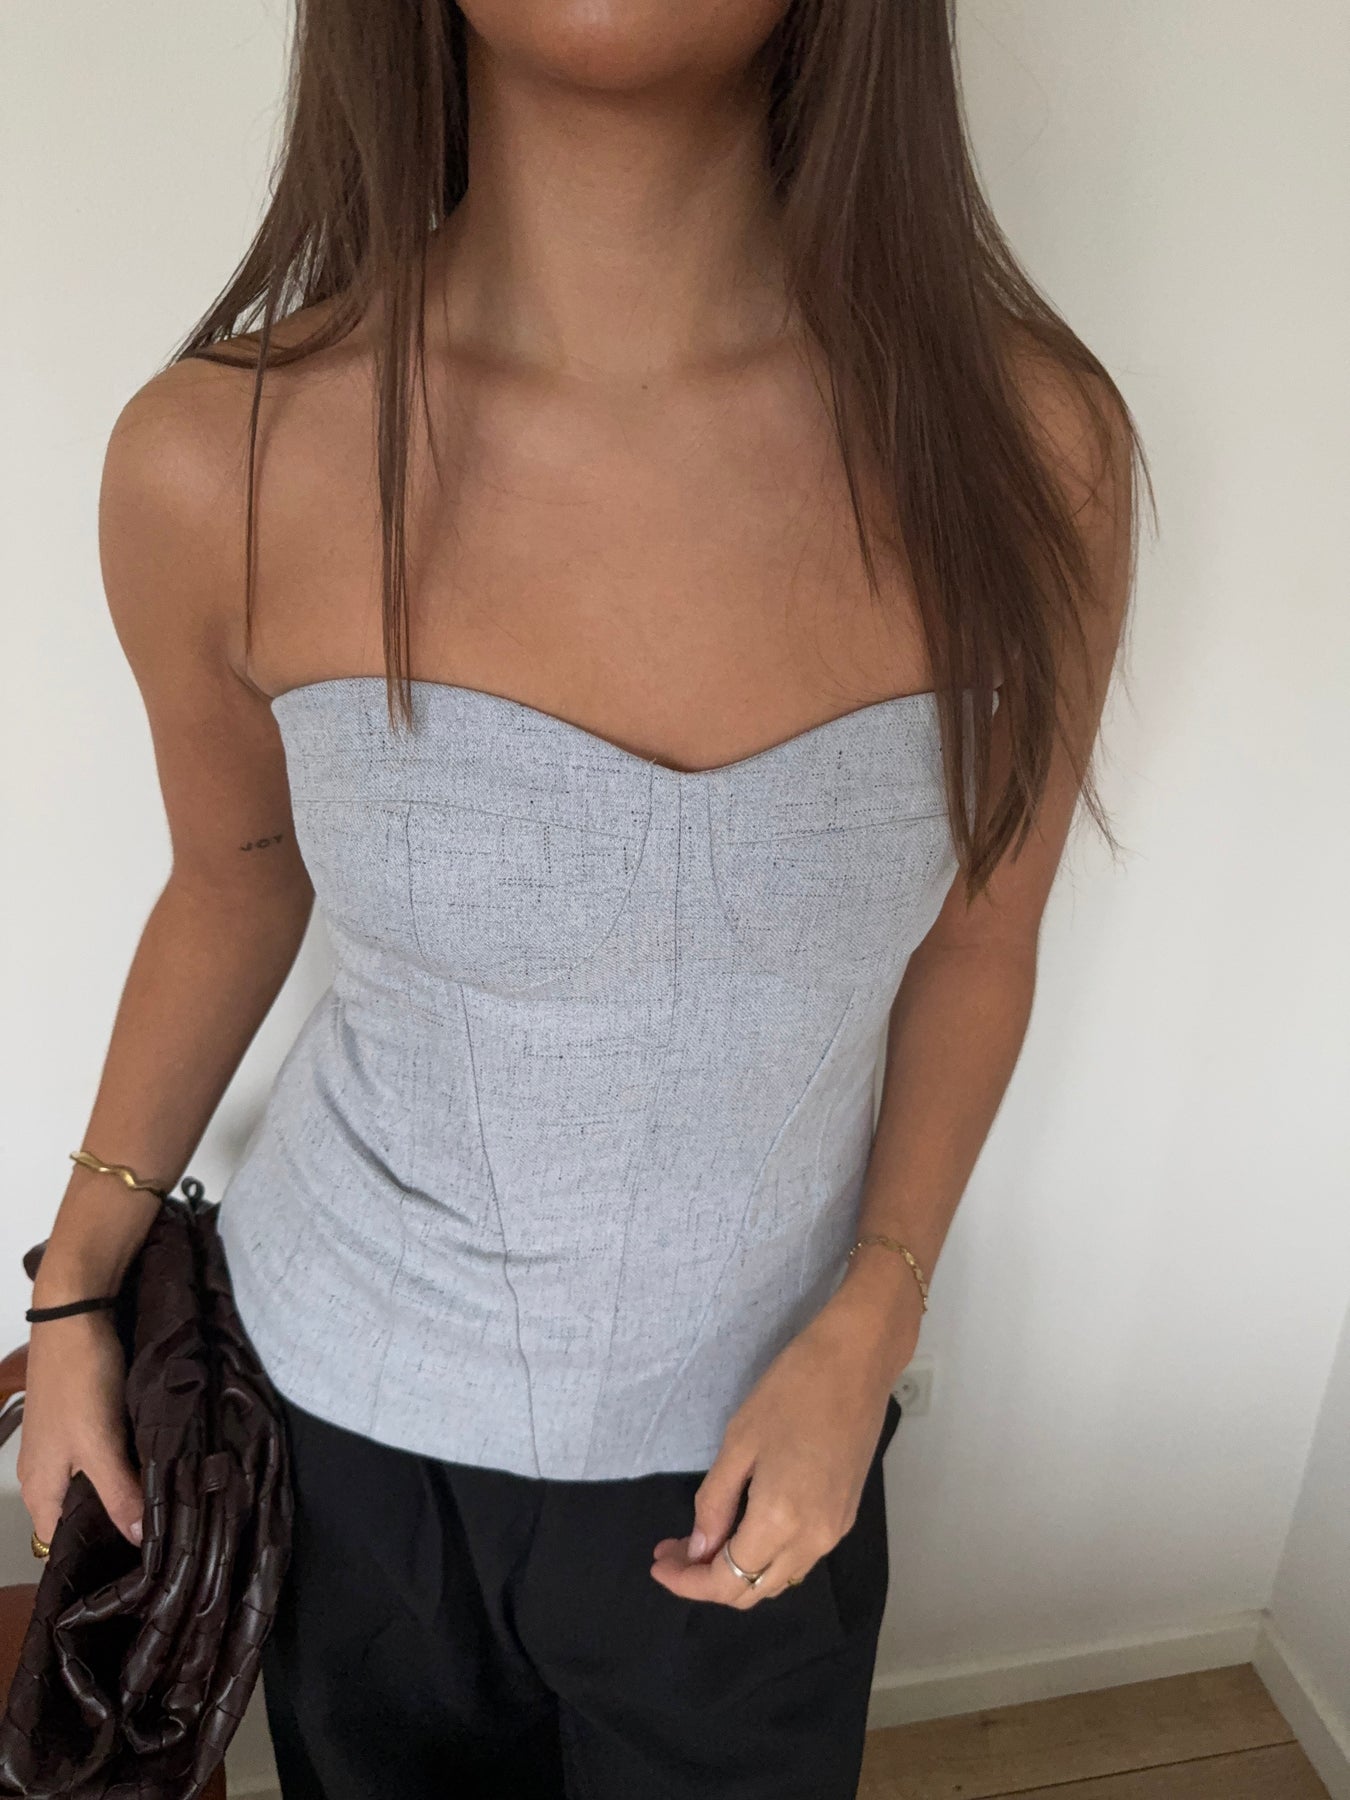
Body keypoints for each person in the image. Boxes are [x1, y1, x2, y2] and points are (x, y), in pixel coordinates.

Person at [18, 2, 1149, 1795]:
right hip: (342, 1446)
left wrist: (874, 1316)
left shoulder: (1031, 444)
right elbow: (231, 879)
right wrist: (72, 1294)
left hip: (765, 1434)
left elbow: (980, 933)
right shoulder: (212, 454)